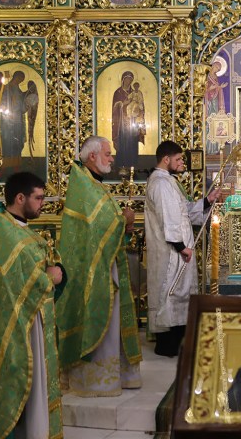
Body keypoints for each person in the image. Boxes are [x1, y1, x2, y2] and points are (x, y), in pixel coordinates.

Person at [0, 172, 66, 439]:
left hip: (31, 316)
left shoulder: (16, 228)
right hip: (18, 323)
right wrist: (51, 277)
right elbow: (22, 278)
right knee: (20, 377)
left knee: (35, 383)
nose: (42, 203)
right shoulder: (5, 231)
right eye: (38, 198)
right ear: (20, 198)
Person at [55, 136, 142, 396]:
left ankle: (115, 375)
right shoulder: (83, 185)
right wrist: (123, 220)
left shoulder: (93, 184)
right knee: (102, 318)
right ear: (92, 156)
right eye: (107, 153)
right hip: (93, 270)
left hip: (105, 263)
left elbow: (105, 223)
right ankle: (94, 381)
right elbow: (102, 224)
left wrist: (123, 225)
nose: (112, 158)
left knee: (113, 321)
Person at [144, 140, 221, 357]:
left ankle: (176, 343)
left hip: (177, 250)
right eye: (178, 159)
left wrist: (207, 200)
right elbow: (168, 217)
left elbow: (184, 211)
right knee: (171, 293)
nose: (181, 163)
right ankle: (167, 345)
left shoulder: (168, 181)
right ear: (166, 159)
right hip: (171, 252)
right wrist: (180, 247)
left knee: (178, 293)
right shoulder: (161, 183)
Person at [112, 71, 141, 169]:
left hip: (133, 123)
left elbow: (140, 104)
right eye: (127, 79)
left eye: (130, 79)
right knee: (123, 143)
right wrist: (123, 103)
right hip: (121, 124)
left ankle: (132, 166)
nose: (129, 81)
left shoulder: (134, 93)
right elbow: (114, 108)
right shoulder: (118, 92)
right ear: (123, 80)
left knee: (132, 143)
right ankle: (121, 166)